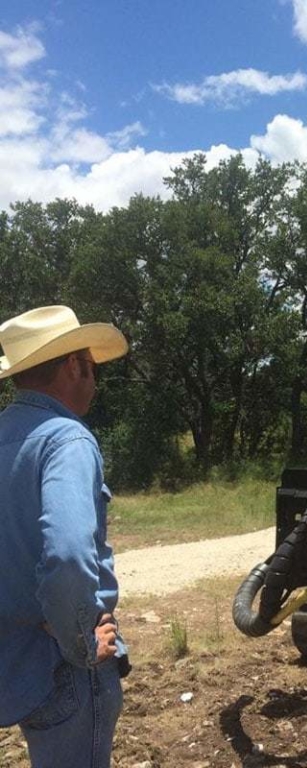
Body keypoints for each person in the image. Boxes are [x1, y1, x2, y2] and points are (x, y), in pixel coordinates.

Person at [0, 305, 129, 768]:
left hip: (14, 664)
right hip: (65, 669)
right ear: (74, 366)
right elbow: (70, 556)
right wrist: (81, 643)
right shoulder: (66, 440)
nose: (94, 381)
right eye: (92, 367)